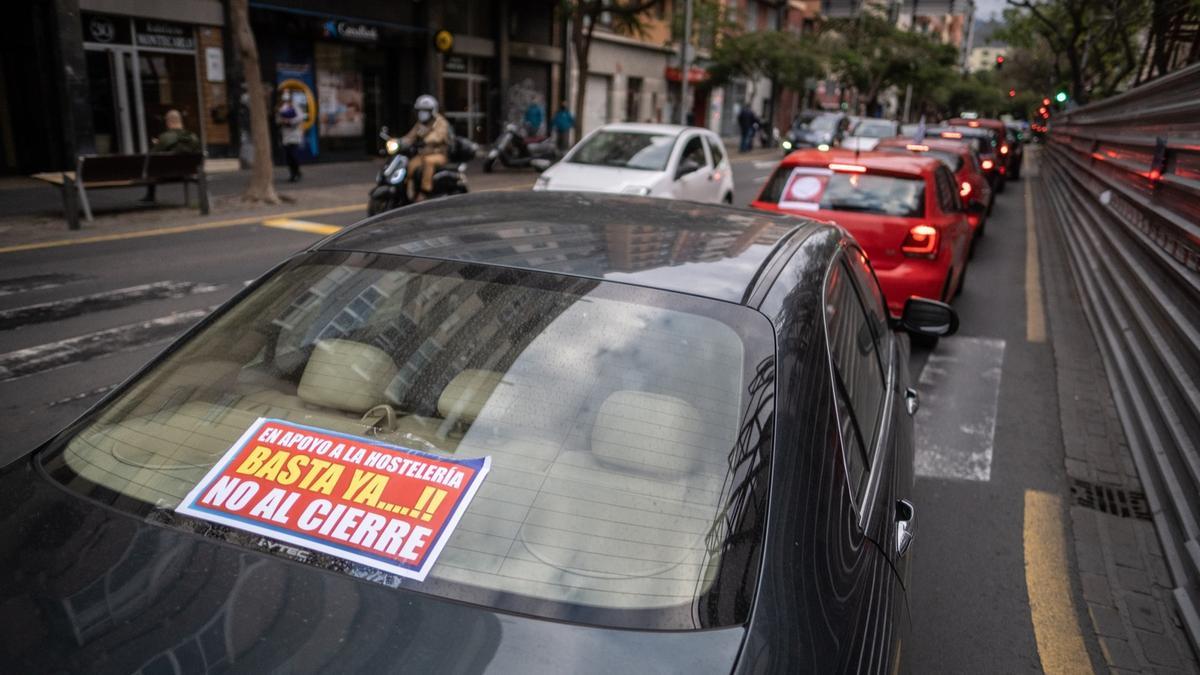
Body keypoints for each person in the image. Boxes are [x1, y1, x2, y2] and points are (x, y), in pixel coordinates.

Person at [138, 109, 200, 204]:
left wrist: (157, 144)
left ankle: (150, 196)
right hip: (187, 173)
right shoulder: (193, 137)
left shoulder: (165, 137)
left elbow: (153, 156)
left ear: (168, 122)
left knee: (152, 168)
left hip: (166, 175)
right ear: (180, 121)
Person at [399, 94, 451, 201]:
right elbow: (411, 136)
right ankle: (409, 190)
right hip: (423, 154)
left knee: (428, 162)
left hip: (439, 154)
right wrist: (399, 141)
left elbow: (438, 136)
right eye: (420, 110)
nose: (422, 113)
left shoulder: (440, 122)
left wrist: (425, 140)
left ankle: (424, 191)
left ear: (433, 110)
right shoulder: (420, 124)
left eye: (426, 110)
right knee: (411, 164)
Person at [276, 93, 304, 182]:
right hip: (286, 135)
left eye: (287, 100)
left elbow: (301, 117)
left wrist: (290, 121)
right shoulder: (280, 108)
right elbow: (278, 120)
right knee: (288, 157)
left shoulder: (295, 107)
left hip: (294, 134)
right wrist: (282, 121)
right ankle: (292, 174)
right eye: (284, 100)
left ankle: (297, 172)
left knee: (293, 155)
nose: (285, 101)